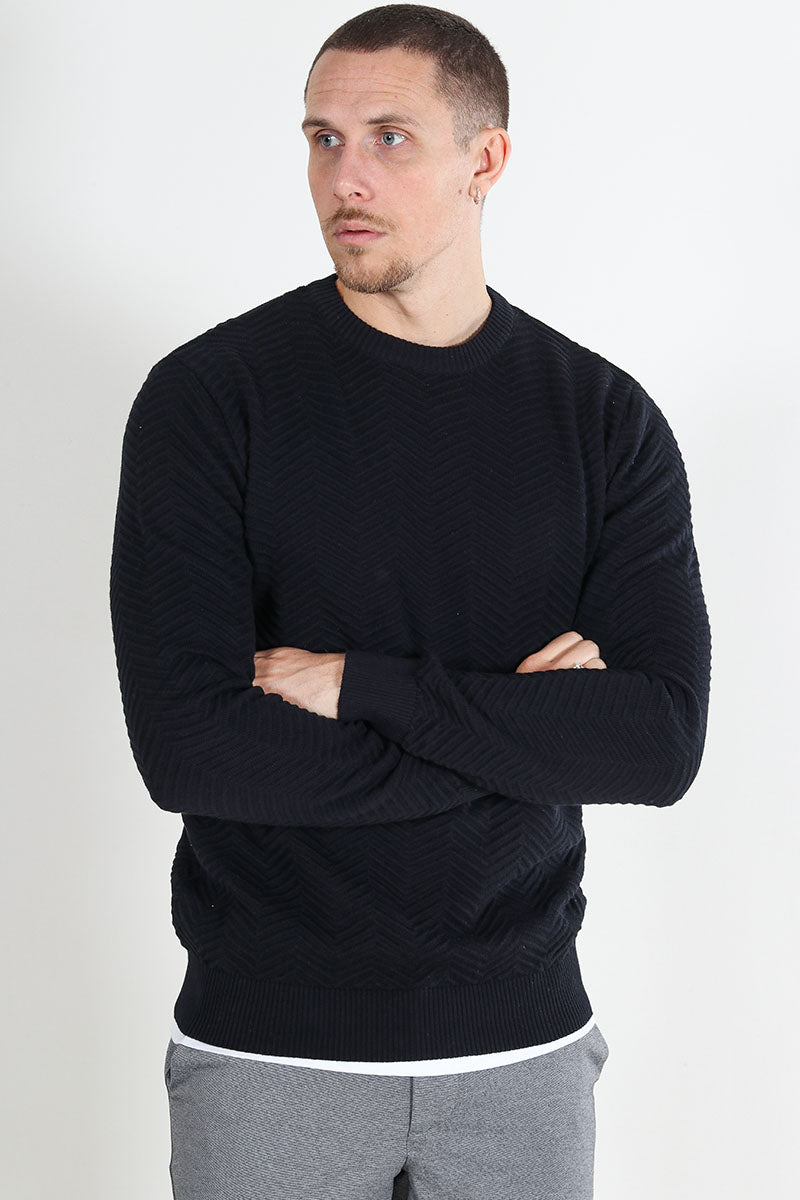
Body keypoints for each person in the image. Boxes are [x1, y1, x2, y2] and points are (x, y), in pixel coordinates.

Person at [109, 5, 711, 1198]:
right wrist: (519, 733)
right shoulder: (210, 400)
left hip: (522, 1057)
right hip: (267, 1053)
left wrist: (365, 688)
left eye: (390, 137)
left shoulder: (601, 421)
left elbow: (655, 743)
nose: (346, 176)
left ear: (485, 159)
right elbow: (191, 752)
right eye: (322, 138)